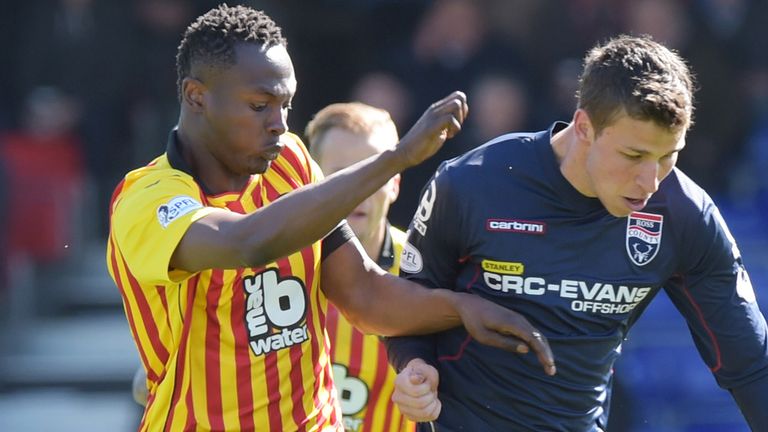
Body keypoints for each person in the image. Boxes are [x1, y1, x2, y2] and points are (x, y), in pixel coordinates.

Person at [106, 5, 554, 431]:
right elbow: (245, 243)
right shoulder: (147, 199)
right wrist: (396, 158)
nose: (280, 124)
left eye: (286, 105)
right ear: (196, 96)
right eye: (260, 106)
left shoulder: (290, 161)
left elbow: (363, 292)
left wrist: (464, 308)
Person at [386, 34, 768, 431]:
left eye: (668, 156)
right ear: (584, 126)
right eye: (634, 155)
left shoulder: (685, 214)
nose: (651, 181)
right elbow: (407, 299)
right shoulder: (471, 183)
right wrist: (414, 364)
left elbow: (751, 362)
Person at [305, 102, 413, 432]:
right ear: (310, 180)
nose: (358, 189)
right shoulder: (278, 271)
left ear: (395, 184)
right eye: (341, 175)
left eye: (373, 173)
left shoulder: (426, 272)